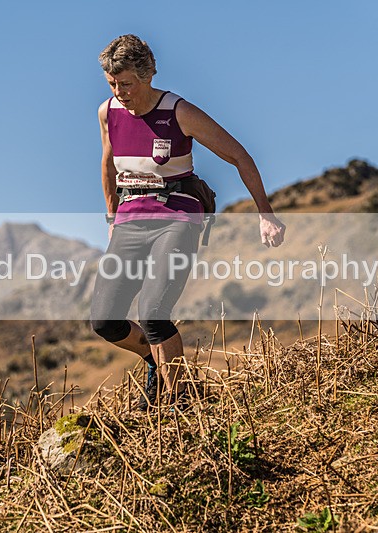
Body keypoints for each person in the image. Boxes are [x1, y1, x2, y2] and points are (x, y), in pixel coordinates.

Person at [90, 34, 285, 410]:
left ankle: (177, 402)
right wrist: (112, 215)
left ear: (147, 75)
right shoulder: (107, 112)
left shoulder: (178, 111)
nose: (120, 92)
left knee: (152, 313)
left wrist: (265, 213)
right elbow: (107, 161)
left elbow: (240, 156)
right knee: (104, 321)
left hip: (177, 214)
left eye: (126, 83)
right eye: (112, 83)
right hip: (131, 216)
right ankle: (154, 360)